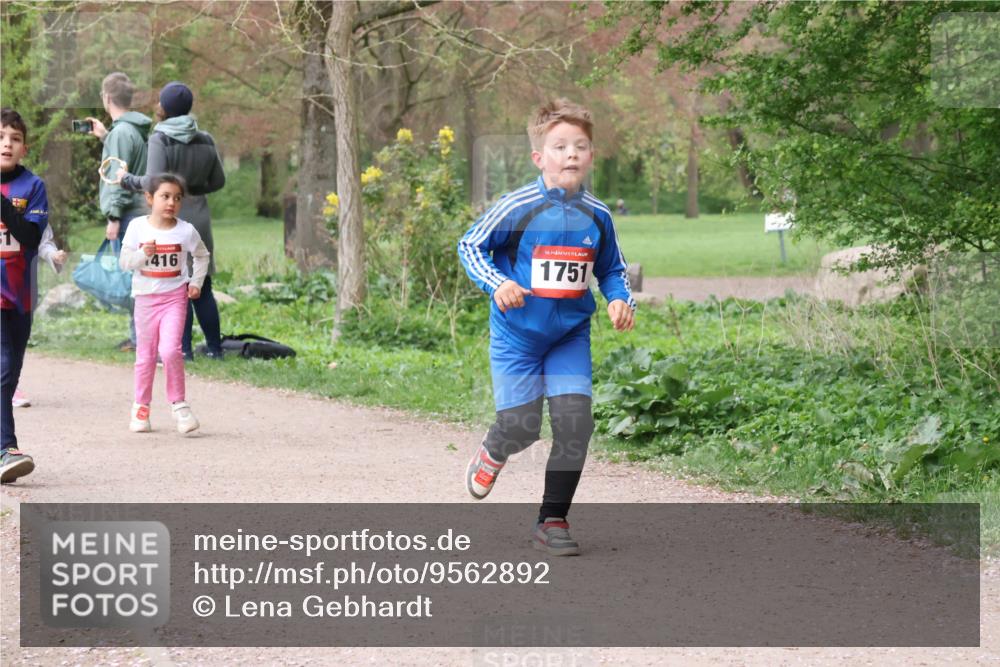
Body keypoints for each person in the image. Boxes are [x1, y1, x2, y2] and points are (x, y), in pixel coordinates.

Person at [457, 98, 636, 556]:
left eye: (580, 146)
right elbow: (470, 245)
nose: (571, 154)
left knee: (575, 425)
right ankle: (496, 448)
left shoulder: (600, 215)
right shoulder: (516, 207)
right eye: (559, 146)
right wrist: (498, 283)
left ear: (592, 155)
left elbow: (612, 269)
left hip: (568, 337)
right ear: (539, 157)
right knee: (521, 427)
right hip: (518, 335)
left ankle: (551, 520)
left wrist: (618, 298)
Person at [114, 81, 226, 360]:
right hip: (199, 213)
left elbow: (152, 180)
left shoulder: (160, 138)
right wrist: (195, 190)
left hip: (169, 214)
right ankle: (215, 348)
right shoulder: (206, 139)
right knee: (203, 284)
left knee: (176, 284)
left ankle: (183, 350)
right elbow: (219, 181)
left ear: (163, 107)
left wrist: (126, 180)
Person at [119, 173, 209, 434]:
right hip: (146, 300)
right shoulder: (138, 227)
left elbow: (202, 256)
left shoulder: (186, 230)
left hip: (174, 298)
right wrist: (141, 255)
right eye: (165, 196)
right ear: (150, 198)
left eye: (177, 198)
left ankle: (179, 405)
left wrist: (196, 282)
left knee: (170, 350)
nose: (171, 203)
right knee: (145, 355)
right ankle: (141, 407)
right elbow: (124, 262)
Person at [86, 72, 152, 353]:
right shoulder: (131, 130)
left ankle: (141, 339)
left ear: (107, 98)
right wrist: (105, 137)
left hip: (127, 213)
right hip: (137, 210)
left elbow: (116, 178)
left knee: (134, 277)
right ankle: (137, 335)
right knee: (136, 275)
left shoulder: (122, 133)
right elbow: (125, 166)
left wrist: (113, 216)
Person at [1, 108, 48, 483]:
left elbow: (30, 237)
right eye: (1, 137)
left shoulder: (32, 187)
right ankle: (6, 448)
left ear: (24, 147)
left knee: (12, 369)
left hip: (21, 294)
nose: (7, 144)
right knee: (1, 365)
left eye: (14, 138)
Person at [12, 224, 67, 408]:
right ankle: (9, 387)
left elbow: (43, 241)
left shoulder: (32, 202)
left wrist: (53, 255)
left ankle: (10, 385)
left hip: (22, 285)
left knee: (16, 340)